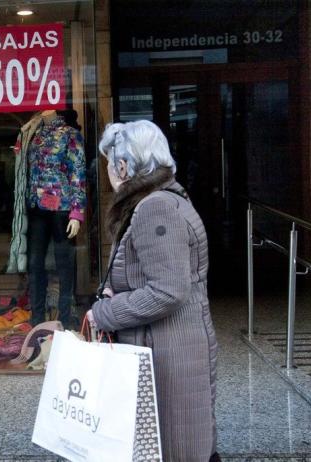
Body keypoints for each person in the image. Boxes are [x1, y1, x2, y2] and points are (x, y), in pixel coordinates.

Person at [87, 120, 219, 462]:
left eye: (109, 166)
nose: (109, 175)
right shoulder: (163, 199)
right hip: (168, 349)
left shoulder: (155, 208)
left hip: (168, 356)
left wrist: (104, 313)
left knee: (177, 450)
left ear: (123, 166)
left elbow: (168, 290)